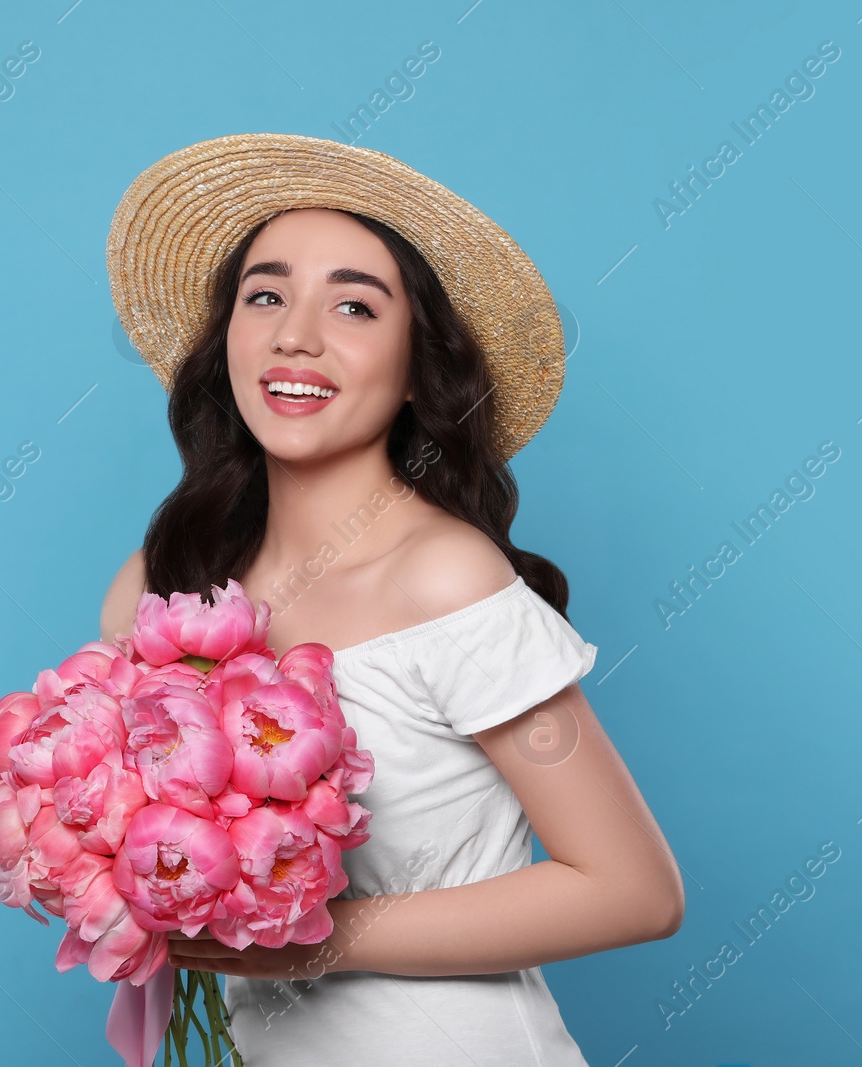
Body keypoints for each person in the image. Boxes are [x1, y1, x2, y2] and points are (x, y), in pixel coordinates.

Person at [99, 133, 684, 1065]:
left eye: (355, 305)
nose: (296, 333)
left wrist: (310, 936)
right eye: (266, 295)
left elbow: (633, 889)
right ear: (228, 341)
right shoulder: (159, 586)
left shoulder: (446, 578)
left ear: (417, 368)